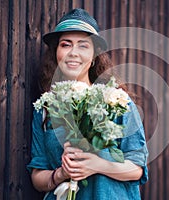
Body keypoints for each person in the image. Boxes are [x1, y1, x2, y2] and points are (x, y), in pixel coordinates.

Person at [27, 8, 148, 200]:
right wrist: (61, 174)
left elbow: (137, 169)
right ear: (56, 53)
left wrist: (96, 164)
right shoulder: (46, 107)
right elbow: (37, 175)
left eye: (83, 46)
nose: (73, 53)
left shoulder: (117, 102)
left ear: (94, 56)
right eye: (66, 45)